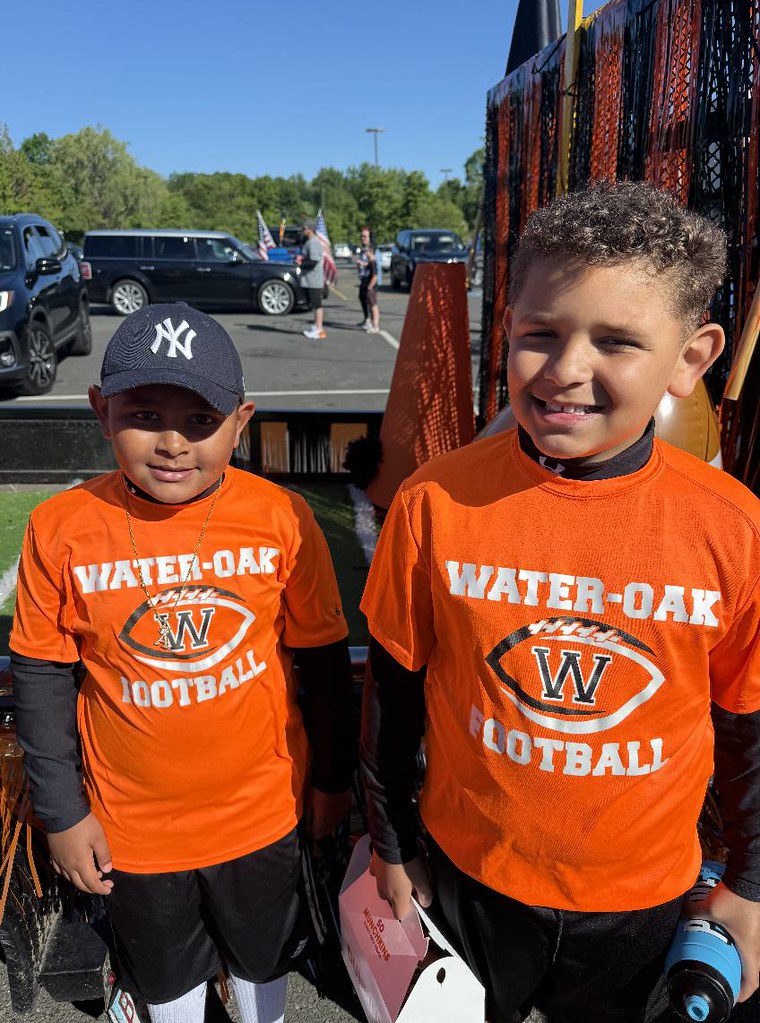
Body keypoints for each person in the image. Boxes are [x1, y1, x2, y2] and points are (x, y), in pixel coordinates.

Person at [360, 180, 760, 1023]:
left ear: (691, 357)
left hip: (639, 903)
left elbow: (749, 726)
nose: (566, 369)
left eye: (616, 341)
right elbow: (391, 695)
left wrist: (752, 883)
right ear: (508, 329)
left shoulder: (733, 528)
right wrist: (392, 844)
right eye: (541, 333)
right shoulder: (434, 502)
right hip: (471, 876)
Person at [10, 303, 355, 1023]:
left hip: (262, 814)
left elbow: (323, 663)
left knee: (264, 964)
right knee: (167, 982)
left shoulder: (282, 517)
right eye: (145, 415)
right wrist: (63, 813)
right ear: (101, 411)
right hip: (133, 828)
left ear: (241, 420)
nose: (172, 443)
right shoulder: (60, 529)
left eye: (201, 420)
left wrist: (331, 779)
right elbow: (40, 677)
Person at [296, 219, 326, 340]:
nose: (303, 230)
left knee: (317, 304)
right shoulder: (309, 242)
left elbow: (314, 261)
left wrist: (301, 264)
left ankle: (320, 329)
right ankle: (316, 326)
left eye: (304, 228)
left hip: (314, 280)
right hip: (309, 279)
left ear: (310, 229)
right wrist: (301, 258)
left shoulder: (314, 242)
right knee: (314, 304)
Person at [356, 226, 380, 334]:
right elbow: (367, 264)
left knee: (373, 304)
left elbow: (375, 274)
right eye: (362, 236)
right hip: (364, 279)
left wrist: (370, 286)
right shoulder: (363, 249)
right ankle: (368, 320)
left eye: (365, 236)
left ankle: (375, 325)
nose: (363, 238)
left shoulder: (372, 251)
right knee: (364, 299)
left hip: (370, 281)